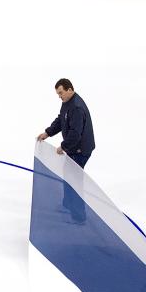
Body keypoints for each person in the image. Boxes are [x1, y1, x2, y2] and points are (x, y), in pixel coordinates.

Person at [36, 78, 95, 222]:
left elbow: (76, 133)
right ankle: (68, 205)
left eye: (61, 93)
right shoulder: (67, 103)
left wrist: (63, 146)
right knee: (68, 176)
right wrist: (47, 133)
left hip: (81, 150)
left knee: (74, 182)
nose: (59, 96)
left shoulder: (77, 107)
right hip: (74, 148)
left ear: (70, 90)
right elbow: (61, 120)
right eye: (58, 94)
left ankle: (79, 217)